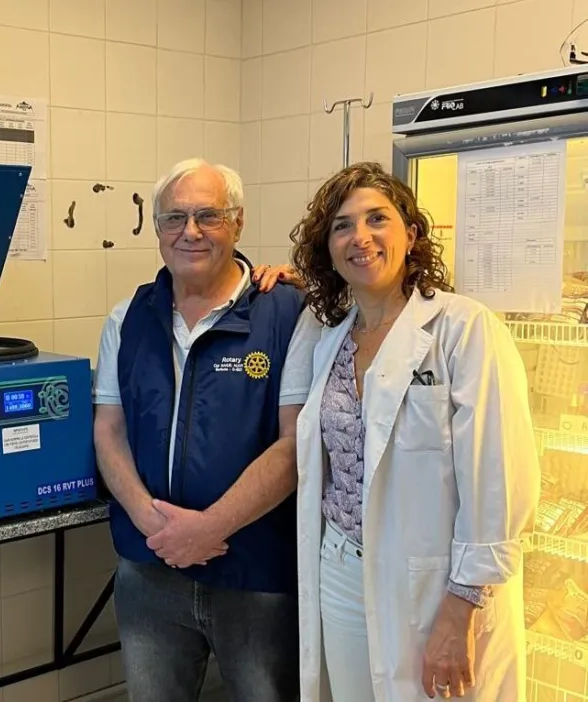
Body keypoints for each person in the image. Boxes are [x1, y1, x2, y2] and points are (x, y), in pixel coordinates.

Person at [254, 162, 539, 701]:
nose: (360, 237)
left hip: (434, 583)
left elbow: (499, 480)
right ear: (328, 248)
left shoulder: (463, 330)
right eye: (341, 226)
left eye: (376, 219)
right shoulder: (330, 341)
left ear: (410, 234)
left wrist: (461, 605)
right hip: (340, 572)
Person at [92, 157, 307, 702]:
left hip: (256, 576)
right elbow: (109, 430)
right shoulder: (127, 319)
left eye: (208, 215)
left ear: (238, 222)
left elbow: (295, 443)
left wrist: (209, 528)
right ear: (157, 229)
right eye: (174, 218)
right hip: (150, 570)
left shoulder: (287, 313)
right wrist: (151, 521)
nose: (190, 232)